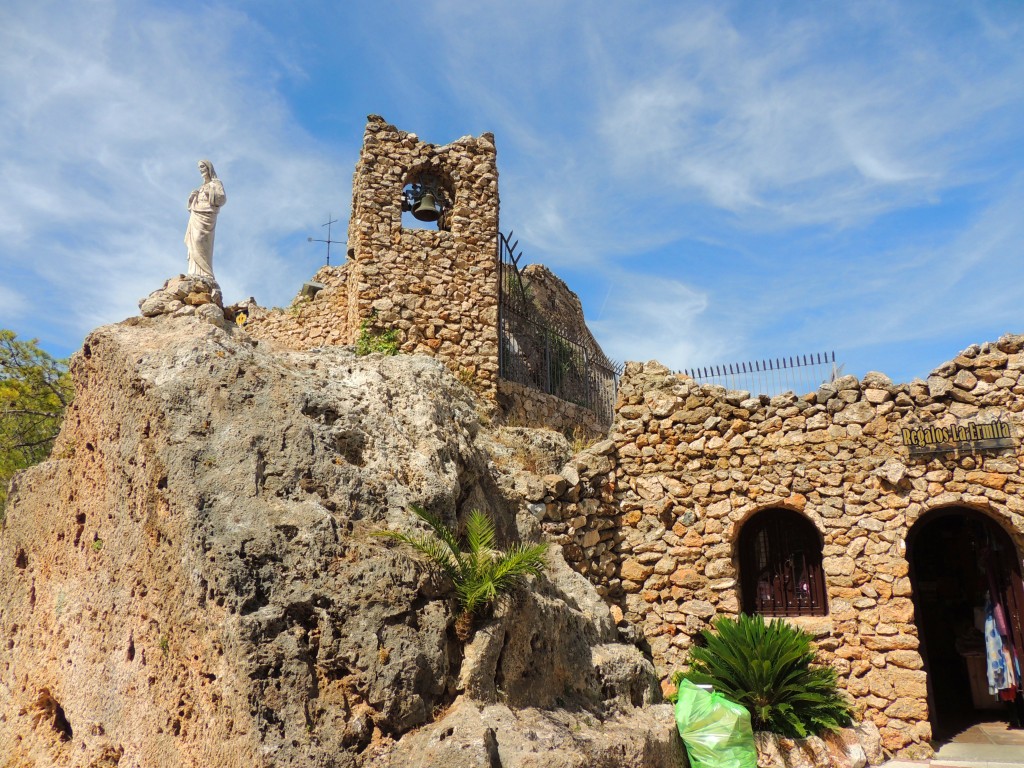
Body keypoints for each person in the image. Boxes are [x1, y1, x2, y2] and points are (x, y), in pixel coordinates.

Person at [184, 160, 226, 279]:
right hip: (196, 215)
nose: (201, 169)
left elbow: (222, 199)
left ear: (208, 168)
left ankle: (206, 272)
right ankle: (193, 271)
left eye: (202, 166)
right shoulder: (201, 187)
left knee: (201, 240)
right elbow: (191, 206)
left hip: (207, 216)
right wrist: (191, 199)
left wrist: (210, 192)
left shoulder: (216, 183)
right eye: (199, 167)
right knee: (194, 241)